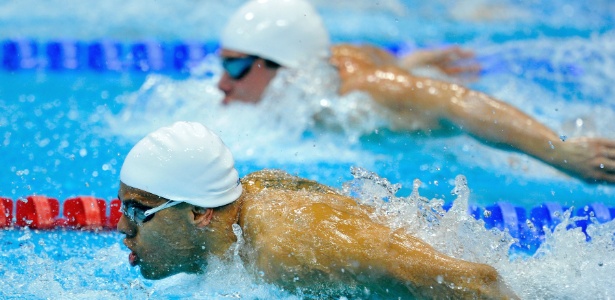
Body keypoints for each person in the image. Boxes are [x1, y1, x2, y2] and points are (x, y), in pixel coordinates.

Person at [216, 0, 615, 183]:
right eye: (222, 64)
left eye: (234, 67)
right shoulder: (327, 62)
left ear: (282, 67)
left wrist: (559, 150)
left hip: (489, 141)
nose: (222, 82)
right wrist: (412, 62)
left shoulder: (363, 94)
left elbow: (459, 103)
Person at [117, 121, 519, 299]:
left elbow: (478, 283)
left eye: (137, 212)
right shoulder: (246, 197)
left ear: (200, 213)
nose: (121, 228)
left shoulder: (287, 249)